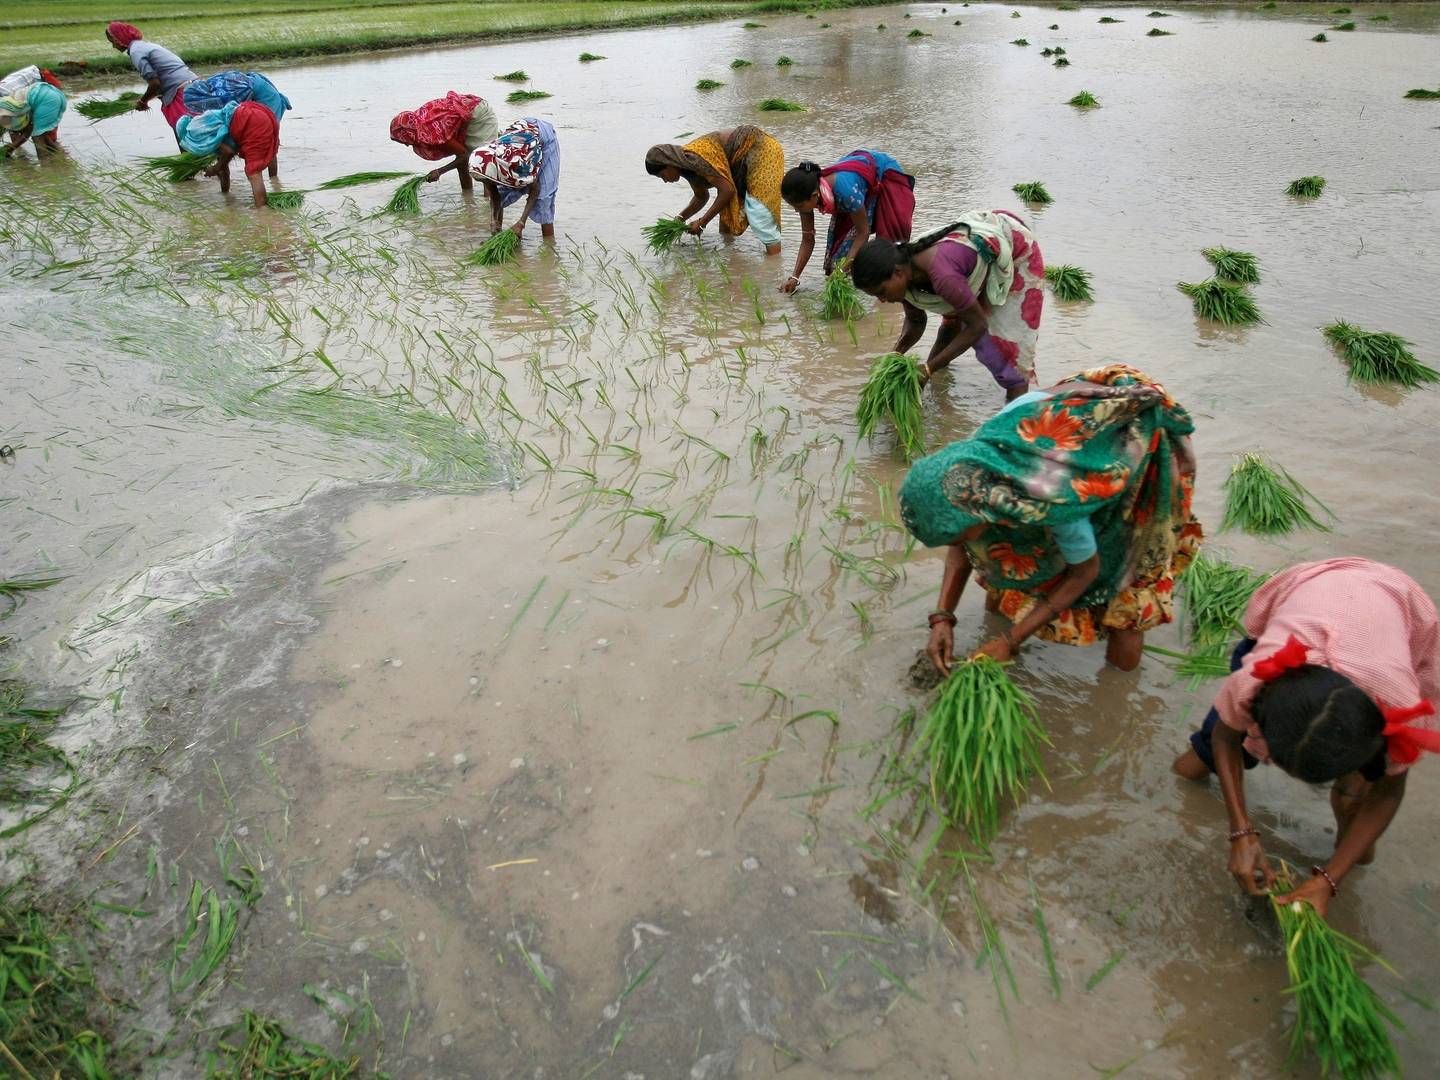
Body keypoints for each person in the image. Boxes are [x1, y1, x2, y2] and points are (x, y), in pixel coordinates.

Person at [1172, 558, 1439, 917]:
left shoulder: (1395, 702)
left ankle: (1349, 826)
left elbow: (1390, 791)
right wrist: (1241, 831)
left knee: (1356, 804)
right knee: (1191, 766)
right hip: (1315, 588)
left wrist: (1329, 880)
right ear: (1262, 722)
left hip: (1394, 601)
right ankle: (1351, 822)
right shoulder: (1255, 680)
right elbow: (1224, 738)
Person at [899, 364, 1202, 674]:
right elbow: (962, 540)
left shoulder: (1051, 497)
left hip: (1132, 443)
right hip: (1066, 426)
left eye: (960, 537)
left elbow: (1085, 571)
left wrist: (1010, 640)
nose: (961, 544)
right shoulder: (970, 468)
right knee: (999, 554)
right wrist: (942, 616)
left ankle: (1117, 695)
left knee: (1127, 588)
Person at [851, 210, 1045, 402]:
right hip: (964, 269)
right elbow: (916, 321)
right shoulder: (904, 274)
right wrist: (894, 355)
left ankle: (1016, 415)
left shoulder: (943, 276)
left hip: (1015, 251)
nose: (882, 300)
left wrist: (928, 369)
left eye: (881, 292)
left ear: (898, 273)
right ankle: (939, 385)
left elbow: (977, 327)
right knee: (951, 325)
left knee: (1000, 354)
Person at [778, 151, 916, 292]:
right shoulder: (806, 196)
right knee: (836, 262)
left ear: (814, 196)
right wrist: (794, 277)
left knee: (889, 252)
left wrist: (842, 271)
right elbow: (808, 239)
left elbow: (863, 232)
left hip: (884, 175)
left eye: (799, 206)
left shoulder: (845, 192)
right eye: (794, 206)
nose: (797, 210)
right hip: (857, 184)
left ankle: (894, 296)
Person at [644, 126, 785, 255]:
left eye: (662, 175)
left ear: (669, 164)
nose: (665, 180)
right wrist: (679, 220)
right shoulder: (686, 168)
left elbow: (727, 190)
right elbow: (701, 197)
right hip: (739, 161)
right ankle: (730, 256)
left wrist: (702, 222)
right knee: (726, 216)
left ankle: (774, 265)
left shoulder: (694, 159)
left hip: (762, 150)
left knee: (761, 211)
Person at [184, 71, 292, 178]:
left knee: (265, 140)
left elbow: (234, 122)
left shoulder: (223, 96)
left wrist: (218, 165)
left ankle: (273, 181)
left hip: (266, 98)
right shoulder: (210, 93)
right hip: (255, 93)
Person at [105, 22, 196, 144]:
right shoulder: (144, 46)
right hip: (192, 84)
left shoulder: (135, 52)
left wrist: (143, 101)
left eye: (113, 41)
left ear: (120, 38)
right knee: (199, 129)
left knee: (185, 135)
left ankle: (191, 162)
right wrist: (146, 98)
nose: (113, 46)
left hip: (179, 92)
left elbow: (155, 84)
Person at [389, 92, 499, 192]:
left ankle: (489, 203)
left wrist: (440, 171)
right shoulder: (417, 124)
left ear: (409, 133)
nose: (407, 144)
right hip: (466, 115)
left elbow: (465, 155)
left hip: (479, 113)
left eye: (405, 141)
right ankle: (468, 197)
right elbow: (462, 158)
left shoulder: (432, 132)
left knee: (482, 160)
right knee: (462, 161)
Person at [177, 101, 280, 208]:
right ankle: (264, 205)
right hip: (255, 112)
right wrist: (226, 195)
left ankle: (262, 212)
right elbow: (225, 167)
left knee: (254, 173)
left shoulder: (198, 133)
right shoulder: (205, 124)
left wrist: (215, 168)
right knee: (253, 171)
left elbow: (228, 152)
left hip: (250, 122)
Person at [470, 117, 559, 238]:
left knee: (544, 198)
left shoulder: (515, 163)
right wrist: (492, 219)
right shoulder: (485, 165)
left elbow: (535, 188)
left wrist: (521, 223)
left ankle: (549, 247)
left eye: (485, 180)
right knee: (501, 193)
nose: (485, 183)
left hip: (543, 138)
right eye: (483, 180)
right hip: (520, 133)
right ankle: (496, 234)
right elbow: (495, 195)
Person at [1, 79, 68, 157]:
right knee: (42, 135)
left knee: (37, 137)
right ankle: (62, 158)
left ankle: (45, 165)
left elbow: (28, 130)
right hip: (51, 93)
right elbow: (28, 130)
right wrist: (13, 147)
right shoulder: (11, 107)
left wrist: (12, 147)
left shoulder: (8, 113)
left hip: (44, 98)